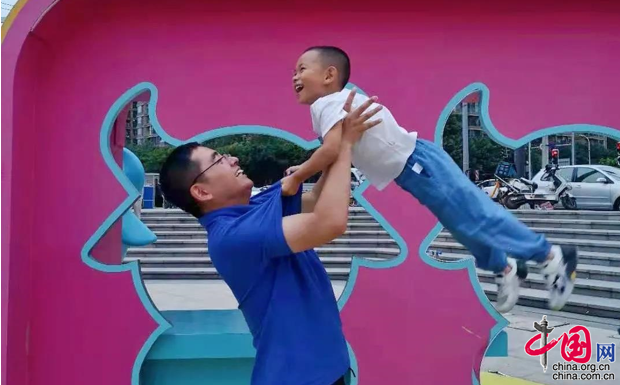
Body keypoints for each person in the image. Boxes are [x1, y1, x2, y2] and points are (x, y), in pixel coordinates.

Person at [285, 45, 578, 313]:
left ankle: (552, 256)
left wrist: (298, 176)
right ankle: (505, 268)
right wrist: (305, 174)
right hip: (412, 170)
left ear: (329, 75)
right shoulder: (329, 108)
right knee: (462, 225)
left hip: (418, 164)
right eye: (294, 71)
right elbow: (335, 155)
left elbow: (331, 150)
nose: (294, 77)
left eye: (301, 69)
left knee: (476, 215)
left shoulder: (328, 103)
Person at [159, 94, 383, 385]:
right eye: (219, 160)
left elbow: (317, 199)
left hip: (325, 371)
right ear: (202, 192)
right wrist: (346, 144)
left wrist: (336, 139)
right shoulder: (231, 238)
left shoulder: (256, 206)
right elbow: (330, 222)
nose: (233, 159)